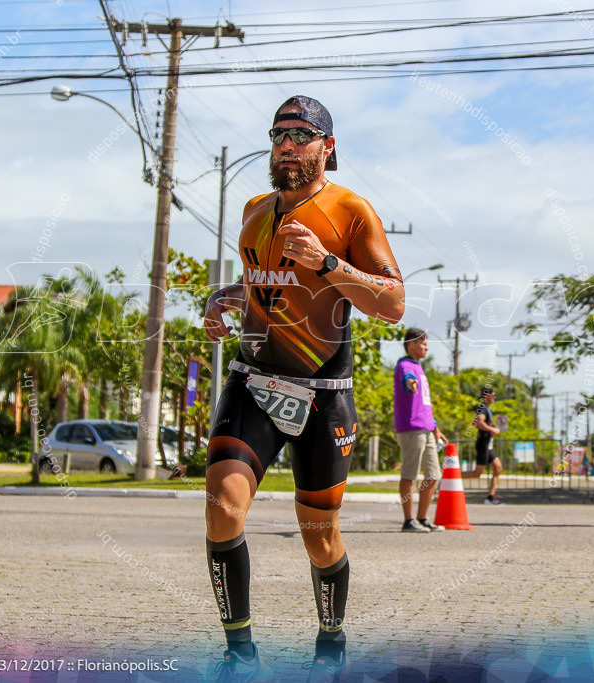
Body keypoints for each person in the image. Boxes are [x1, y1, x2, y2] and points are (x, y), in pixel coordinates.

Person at [201, 95, 404, 681]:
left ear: (327, 147)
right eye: (278, 133)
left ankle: (331, 637)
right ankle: (240, 652)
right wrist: (224, 300)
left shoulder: (351, 211)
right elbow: (259, 288)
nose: (286, 144)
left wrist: (327, 265)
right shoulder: (253, 210)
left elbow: (392, 303)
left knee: (320, 538)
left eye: (301, 134)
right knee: (223, 508)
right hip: (253, 383)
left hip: (323, 390)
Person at [393, 328, 448, 533]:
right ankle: (408, 521)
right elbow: (407, 379)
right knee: (410, 474)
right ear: (411, 345)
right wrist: (410, 383)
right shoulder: (404, 366)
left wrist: (436, 427)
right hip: (411, 428)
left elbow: (424, 401)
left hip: (427, 428)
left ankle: (422, 518)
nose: (426, 348)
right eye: (423, 344)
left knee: (433, 474)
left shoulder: (420, 368)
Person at [462, 387, 504, 504]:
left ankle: (490, 497)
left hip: (488, 445)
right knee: (477, 473)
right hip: (483, 445)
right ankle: (450, 477)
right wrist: (493, 429)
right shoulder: (483, 408)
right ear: (487, 396)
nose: (495, 398)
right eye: (494, 395)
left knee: (498, 468)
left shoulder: (487, 409)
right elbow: (477, 423)